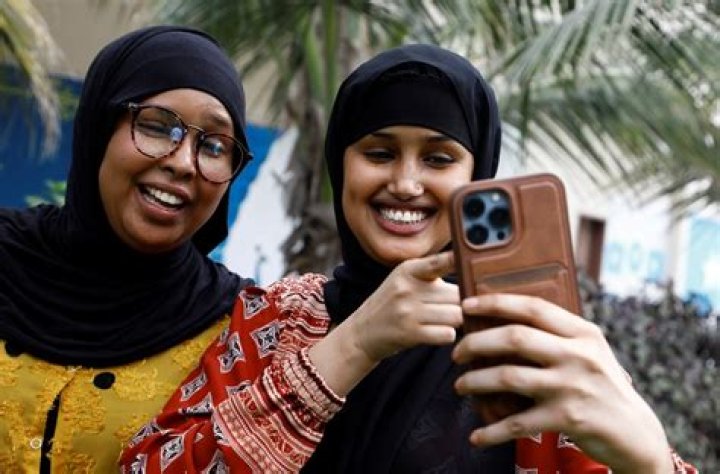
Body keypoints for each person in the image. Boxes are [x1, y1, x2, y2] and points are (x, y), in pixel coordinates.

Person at [119, 44, 696, 473]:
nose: (405, 182)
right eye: (379, 152)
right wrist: (353, 345)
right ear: (341, 165)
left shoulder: (530, 339)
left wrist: (649, 461)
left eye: (439, 159)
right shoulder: (275, 317)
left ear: (477, 174)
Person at [0, 26, 255, 471]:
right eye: (157, 126)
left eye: (214, 145)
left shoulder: (240, 329)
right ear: (100, 129)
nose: (183, 162)